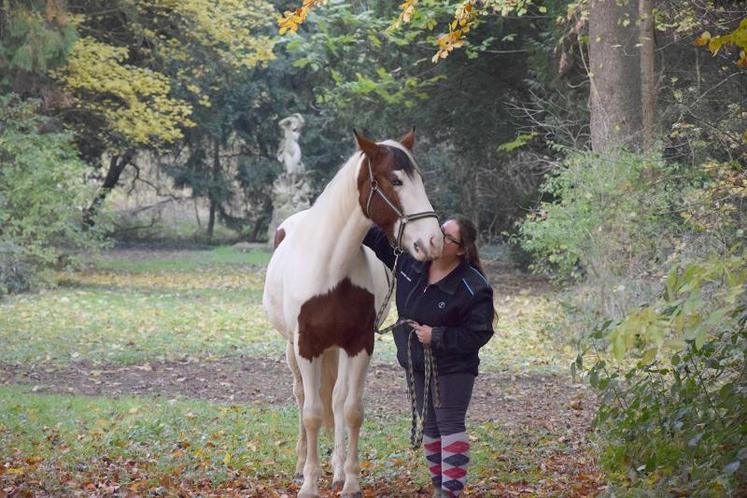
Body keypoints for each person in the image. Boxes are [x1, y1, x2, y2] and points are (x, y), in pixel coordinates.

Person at [363, 214, 495, 498]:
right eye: (440, 230)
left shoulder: (474, 286)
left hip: (453, 366)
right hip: (416, 360)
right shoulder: (413, 261)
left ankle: (450, 493)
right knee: (430, 424)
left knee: (449, 424)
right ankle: (439, 488)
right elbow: (377, 240)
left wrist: (437, 336)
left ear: (460, 249)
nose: (438, 236)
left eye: (448, 237)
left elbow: (480, 333)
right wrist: (357, 214)